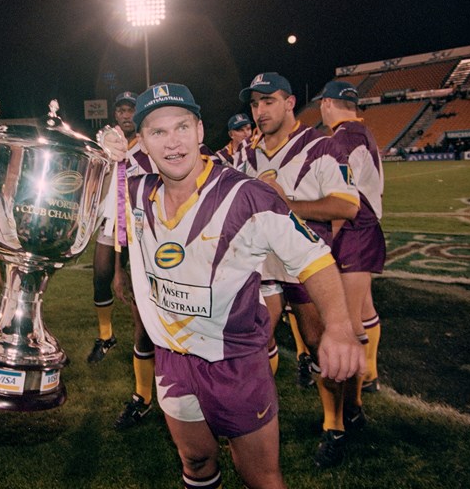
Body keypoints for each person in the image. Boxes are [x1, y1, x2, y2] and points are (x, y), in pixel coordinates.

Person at [100, 82, 364, 489]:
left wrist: (341, 327)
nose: (173, 143)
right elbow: (66, 201)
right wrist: (102, 161)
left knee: (260, 476)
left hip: (236, 362)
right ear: (143, 144)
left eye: (182, 127)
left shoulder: (248, 195)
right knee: (196, 460)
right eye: (157, 132)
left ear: (200, 131)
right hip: (172, 360)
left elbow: (315, 259)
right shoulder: (133, 194)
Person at [235, 72, 362, 467]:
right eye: (254, 104)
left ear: (290, 102)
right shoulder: (246, 154)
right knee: (251, 342)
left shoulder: (321, 146)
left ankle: (336, 424)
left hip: (305, 266)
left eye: (268, 101)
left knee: (322, 343)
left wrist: (284, 207)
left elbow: (347, 205)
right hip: (261, 267)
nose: (260, 111)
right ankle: (249, 417)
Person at [88, 91, 159, 430]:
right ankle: (143, 398)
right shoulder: (110, 144)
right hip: (124, 227)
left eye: (132, 109)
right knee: (140, 320)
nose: (126, 114)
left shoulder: (152, 147)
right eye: (122, 108)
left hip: (158, 237)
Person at [315, 80, 386, 409]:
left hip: (355, 231)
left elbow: (345, 200)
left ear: (326, 104)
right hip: (368, 229)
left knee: (349, 319)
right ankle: (370, 373)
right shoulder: (363, 132)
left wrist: (330, 237)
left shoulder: (342, 138)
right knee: (365, 308)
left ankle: (353, 403)